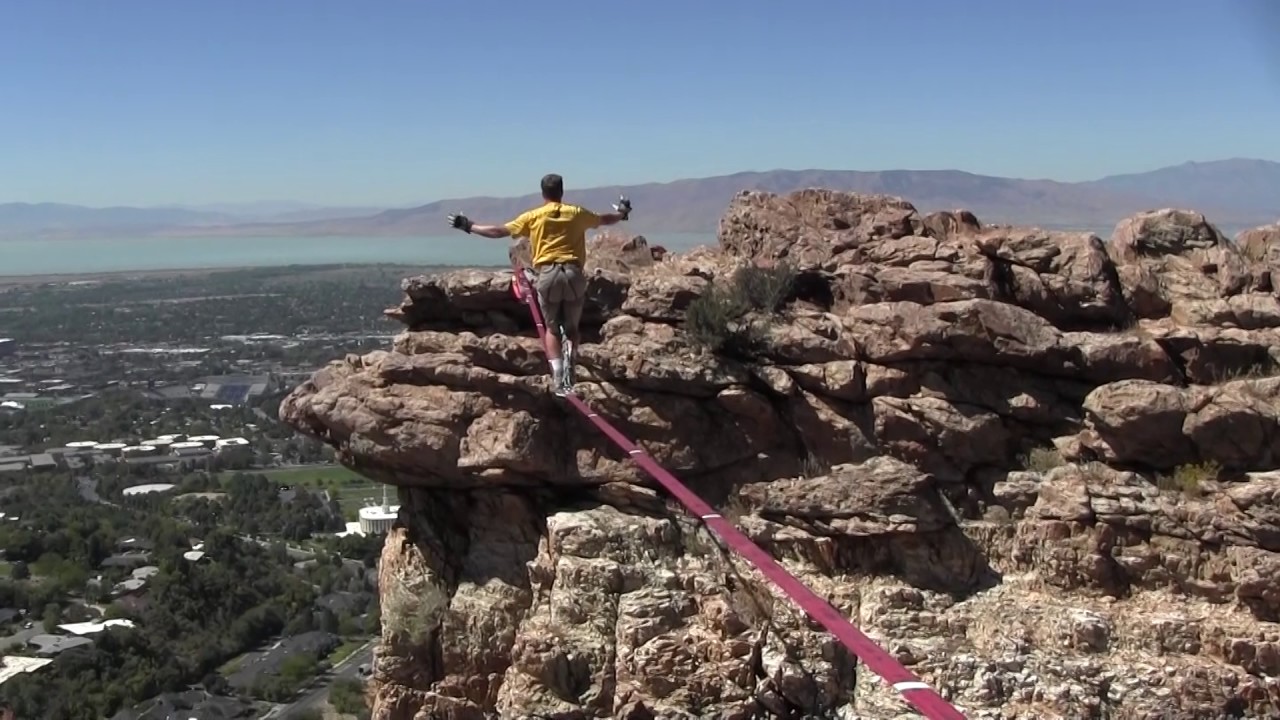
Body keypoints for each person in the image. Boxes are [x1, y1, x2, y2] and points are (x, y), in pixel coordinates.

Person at [446, 173, 632, 395]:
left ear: (543, 193)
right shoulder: (576, 213)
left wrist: (467, 225)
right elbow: (605, 219)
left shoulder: (533, 216)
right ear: (561, 192)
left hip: (548, 274)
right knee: (571, 328)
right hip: (573, 274)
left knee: (552, 329)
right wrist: (622, 212)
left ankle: (558, 378)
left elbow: (498, 231)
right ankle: (570, 369)